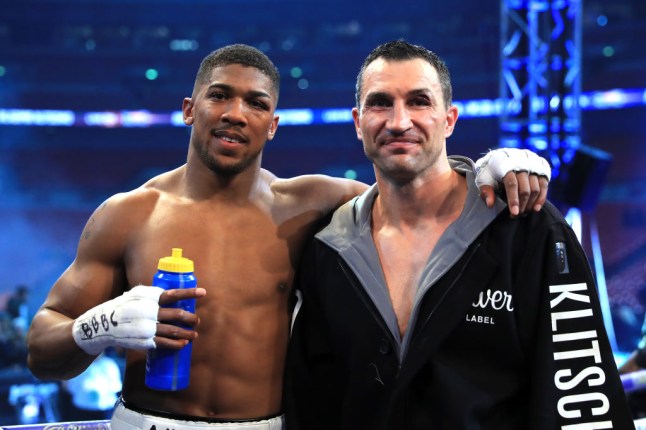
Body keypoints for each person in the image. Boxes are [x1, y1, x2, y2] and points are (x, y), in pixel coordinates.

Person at [26, 44, 550, 430]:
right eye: (220, 96)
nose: (235, 113)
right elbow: (41, 349)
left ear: (272, 125)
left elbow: (414, 183)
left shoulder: (314, 205)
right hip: (147, 420)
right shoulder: (128, 215)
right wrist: (97, 327)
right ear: (190, 109)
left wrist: (494, 167)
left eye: (255, 103)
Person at [284, 40, 634, 429]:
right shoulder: (329, 250)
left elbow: (582, 400)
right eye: (381, 103)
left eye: (419, 101)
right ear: (357, 121)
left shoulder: (526, 227)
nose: (399, 122)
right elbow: (312, 400)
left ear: (449, 119)